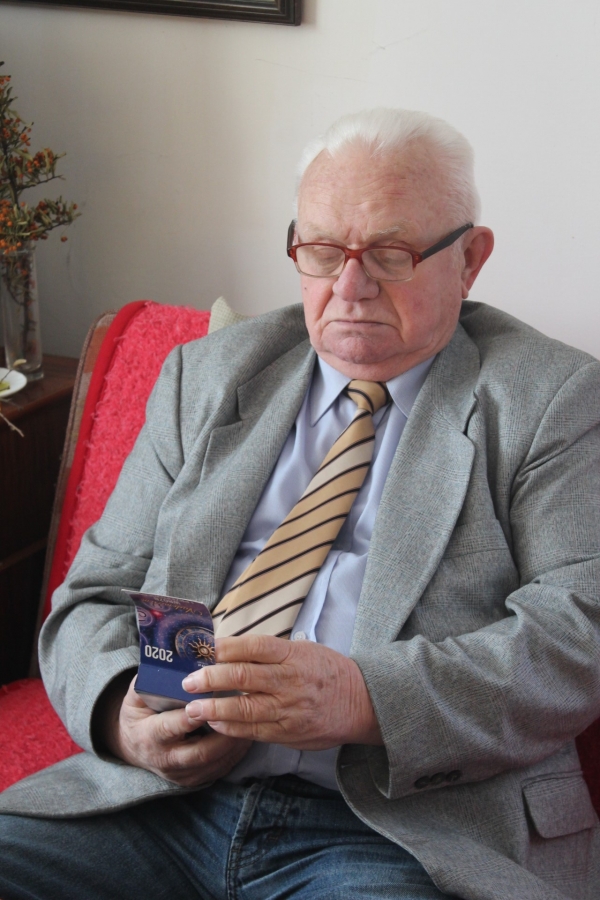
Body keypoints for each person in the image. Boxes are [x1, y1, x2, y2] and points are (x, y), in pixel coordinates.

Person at [1, 108, 599, 900]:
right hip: (161, 804)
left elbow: (577, 635)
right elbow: (94, 595)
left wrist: (363, 698)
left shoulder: (551, 400)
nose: (349, 288)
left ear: (469, 260)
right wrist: (124, 715)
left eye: (389, 253)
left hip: (399, 828)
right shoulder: (205, 377)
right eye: (320, 251)